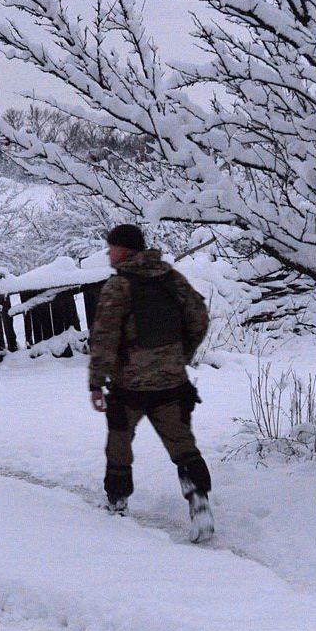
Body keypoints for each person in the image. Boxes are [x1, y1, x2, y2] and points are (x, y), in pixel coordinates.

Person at [88, 224, 214, 542]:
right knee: (182, 445)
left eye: (111, 247)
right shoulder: (170, 278)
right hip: (172, 384)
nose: (107, 253)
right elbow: (199, 317)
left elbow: (104, 337)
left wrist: (95, 381)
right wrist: (179, 355)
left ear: (125, 251)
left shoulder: (118, 287)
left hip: (129, 387)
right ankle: (199, 504)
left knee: (119, 443)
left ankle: (117, 503)